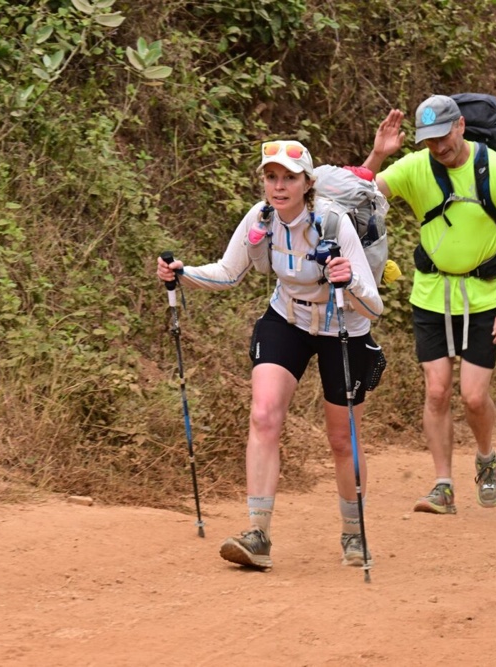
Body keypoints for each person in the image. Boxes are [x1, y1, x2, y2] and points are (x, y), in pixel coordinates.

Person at [156, 139, 384, 570]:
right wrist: (182, 274)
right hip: (288, 319)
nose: (278, 186)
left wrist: (350, 280)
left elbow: (374, 306)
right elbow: (228, 274)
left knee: (341, 438)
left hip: (343, 327)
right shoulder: (261, 218)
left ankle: (354, 534)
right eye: (271, 176)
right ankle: (257, 534)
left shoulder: (334, 223)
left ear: (306, 183)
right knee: (263, 415)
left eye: (289, 178)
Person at [360, 95, 496, 514]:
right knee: (437, 391)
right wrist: (379, 154)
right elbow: (358, 193)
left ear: (459, 127)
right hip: (431, 294)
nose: (437, 148)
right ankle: (443, 485)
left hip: (484, 296)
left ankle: (486, 457)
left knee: (473, 397)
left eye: (442, 137)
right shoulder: (418, 167)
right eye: (428, 142)